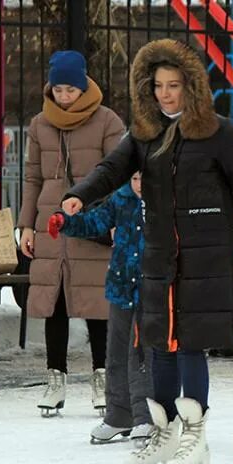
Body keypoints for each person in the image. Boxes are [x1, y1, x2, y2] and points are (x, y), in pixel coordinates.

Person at [61, 39, 233, 464]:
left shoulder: (218, 133)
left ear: (192, 87)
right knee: (159, 345)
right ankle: (163, 436)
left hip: (204, 259)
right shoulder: (144, 134)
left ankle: (194, 437)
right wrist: (78, 196)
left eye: (174, 85)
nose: (165, 94)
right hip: (159, 257)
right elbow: (111, 169)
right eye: (158, 85)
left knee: (189, 347)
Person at [18, 50, 124, 417]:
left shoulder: (108, 121)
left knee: (97, 303)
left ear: (83, 86)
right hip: (50, 223)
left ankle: (102, 378)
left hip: (91, 219)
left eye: (70, 90)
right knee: (55, 302)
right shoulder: (39, 124)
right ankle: (55, 378)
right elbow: (33, 177)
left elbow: (118, 173)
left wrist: (113, 217)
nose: (64, 96)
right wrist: (26, 225)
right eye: (58, 89)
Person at [48, 172, 154, 447]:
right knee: (115, 354)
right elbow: (94, 222)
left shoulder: (163, 202)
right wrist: (66, 222)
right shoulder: (121, 200)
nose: (140, 184)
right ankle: (119, 415)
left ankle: (146, 417)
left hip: (151, 290)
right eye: (134, 178)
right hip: (121, 286)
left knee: (142, 354)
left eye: (145, 178)